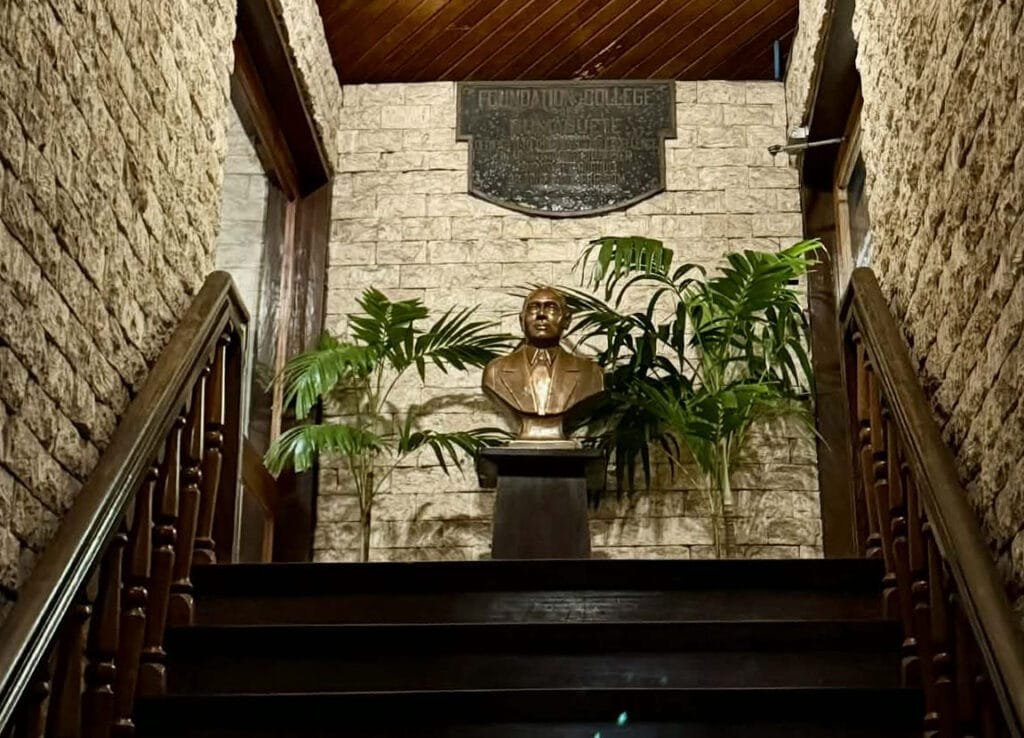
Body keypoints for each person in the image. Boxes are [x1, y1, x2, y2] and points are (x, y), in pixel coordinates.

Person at [482, 286, 604, 443]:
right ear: (521, 320)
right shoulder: (494, 372)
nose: (541, 315)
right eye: (533, 308)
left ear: (566, 320)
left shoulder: (592, 374)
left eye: (551, 308)